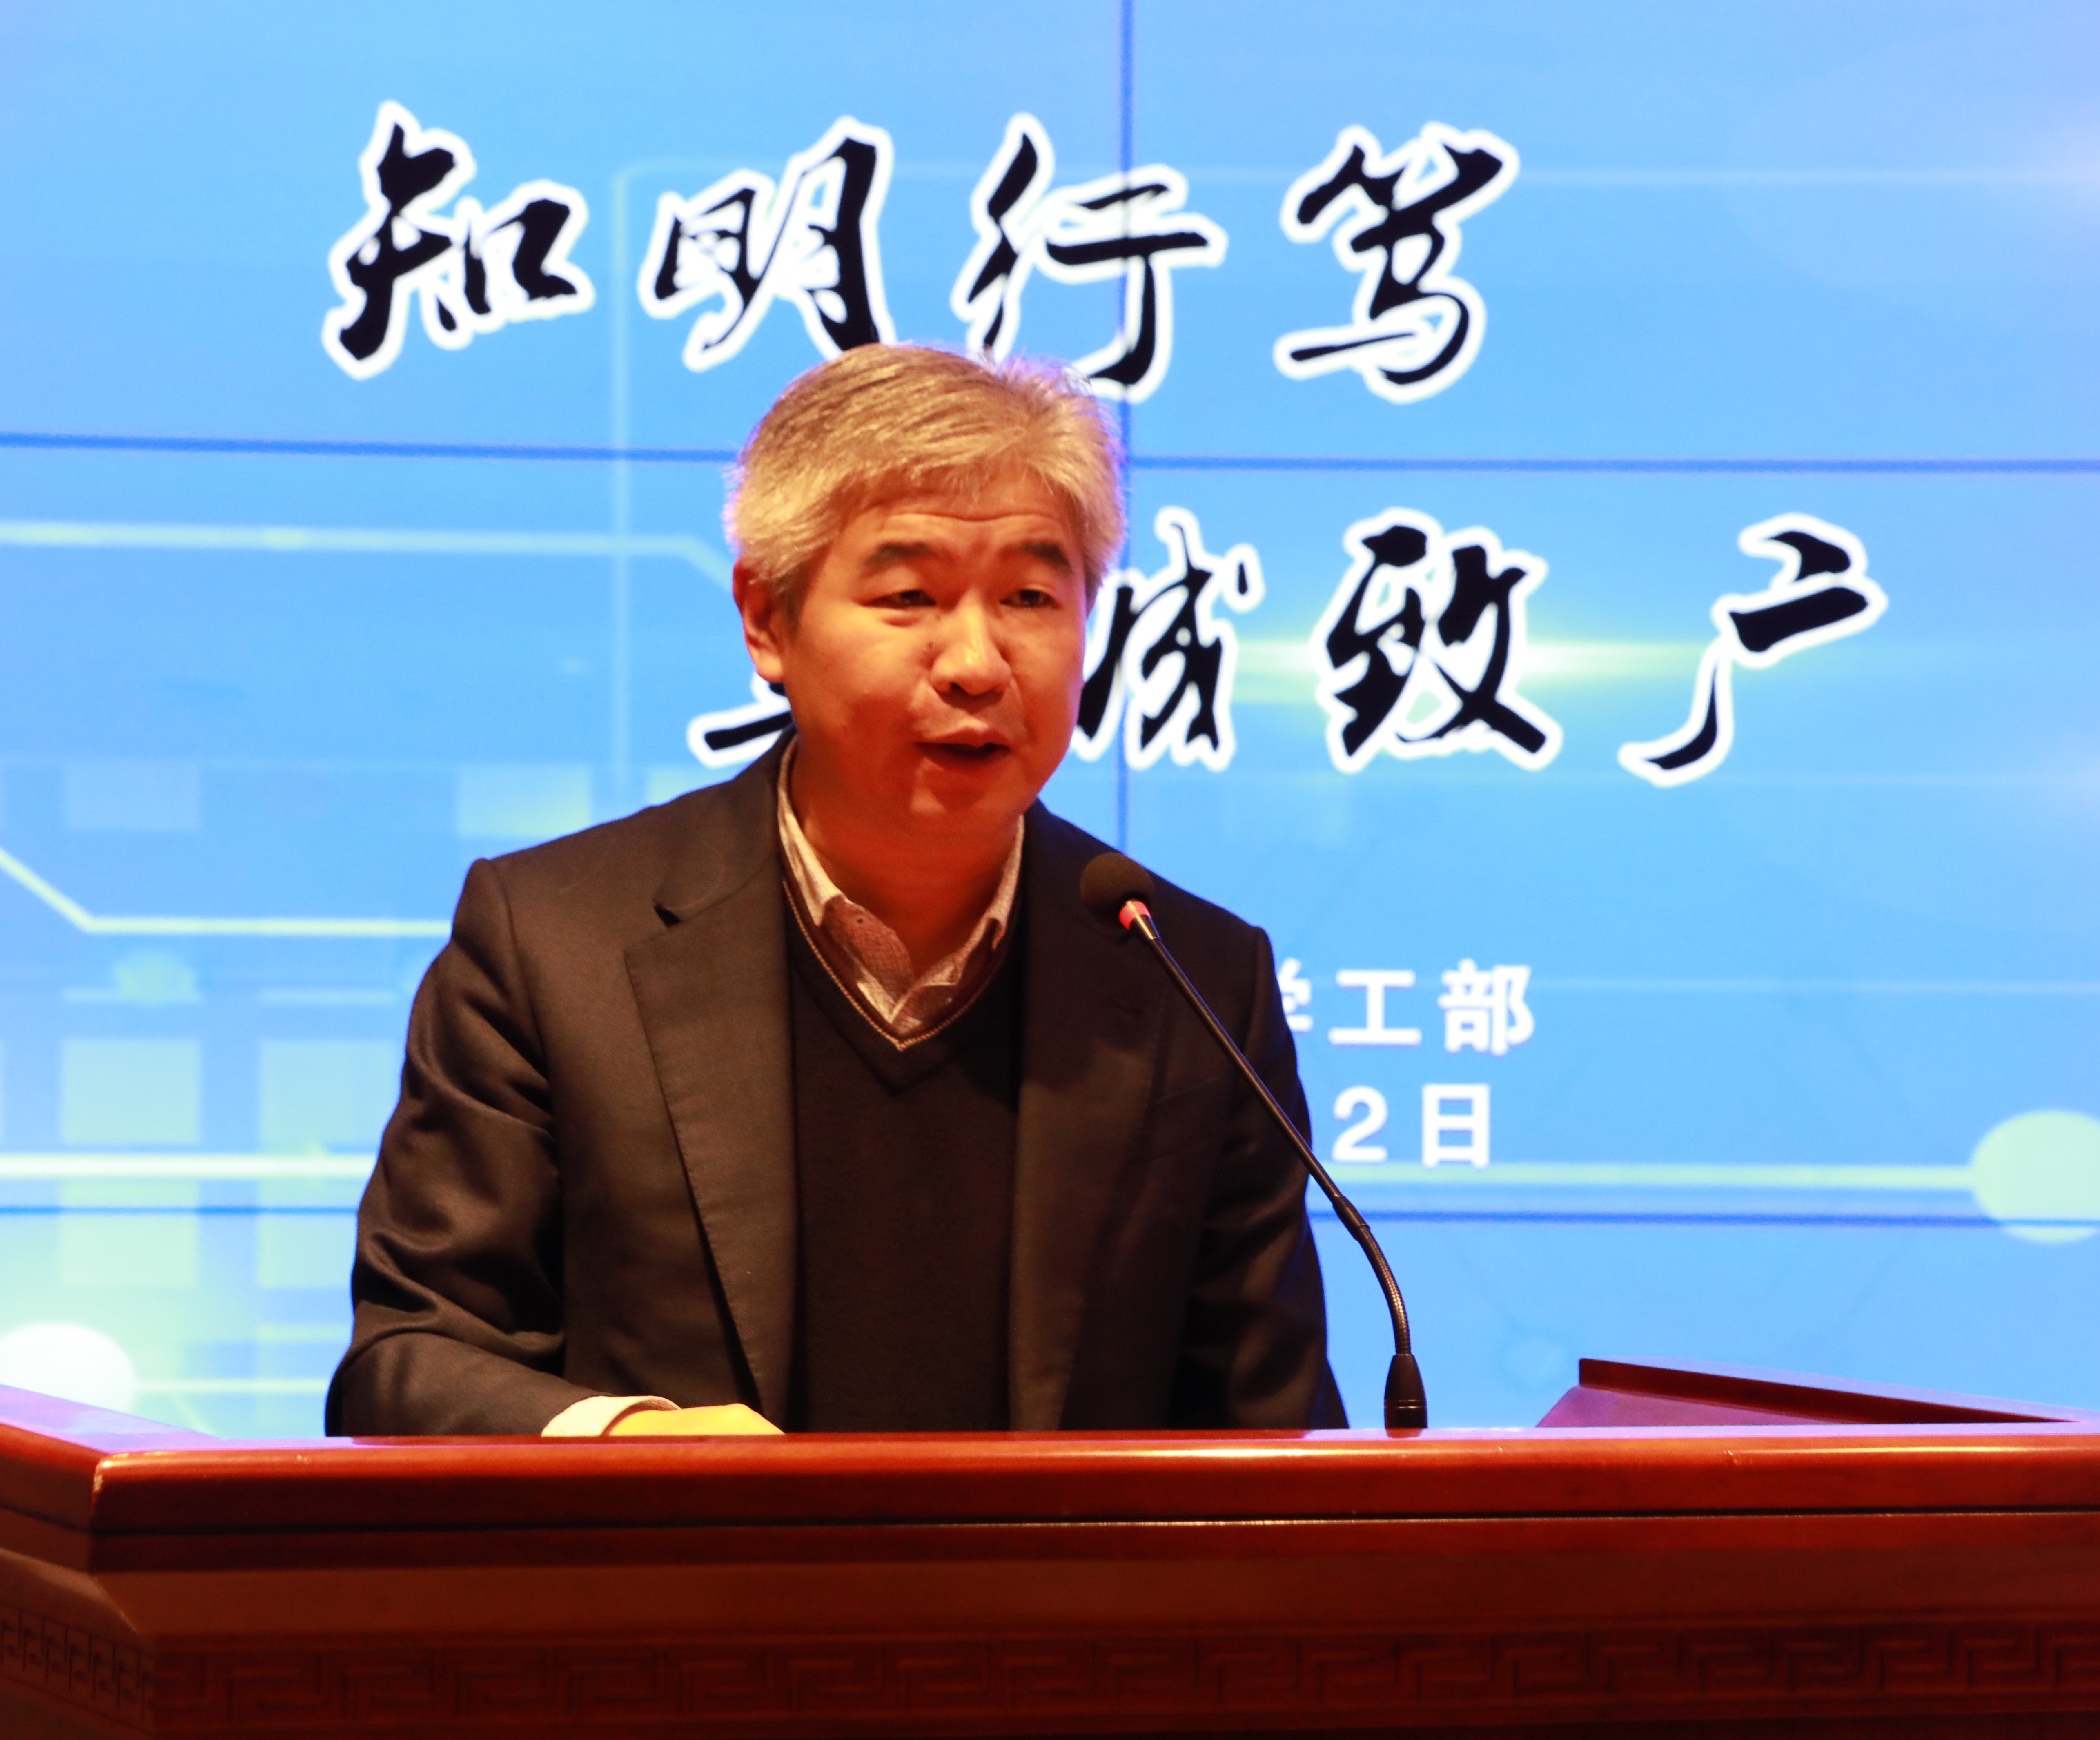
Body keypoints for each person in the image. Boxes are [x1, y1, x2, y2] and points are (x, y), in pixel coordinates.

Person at [325, 344, 1344, 1438]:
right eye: (910, 596)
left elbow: (1274, 1433)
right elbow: (410, 1360)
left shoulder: (1193, 979)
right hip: (677, 1556)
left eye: (1030, 597)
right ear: (766, 621)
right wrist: (629, 1443)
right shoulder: (554, 945)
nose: (976, 663)